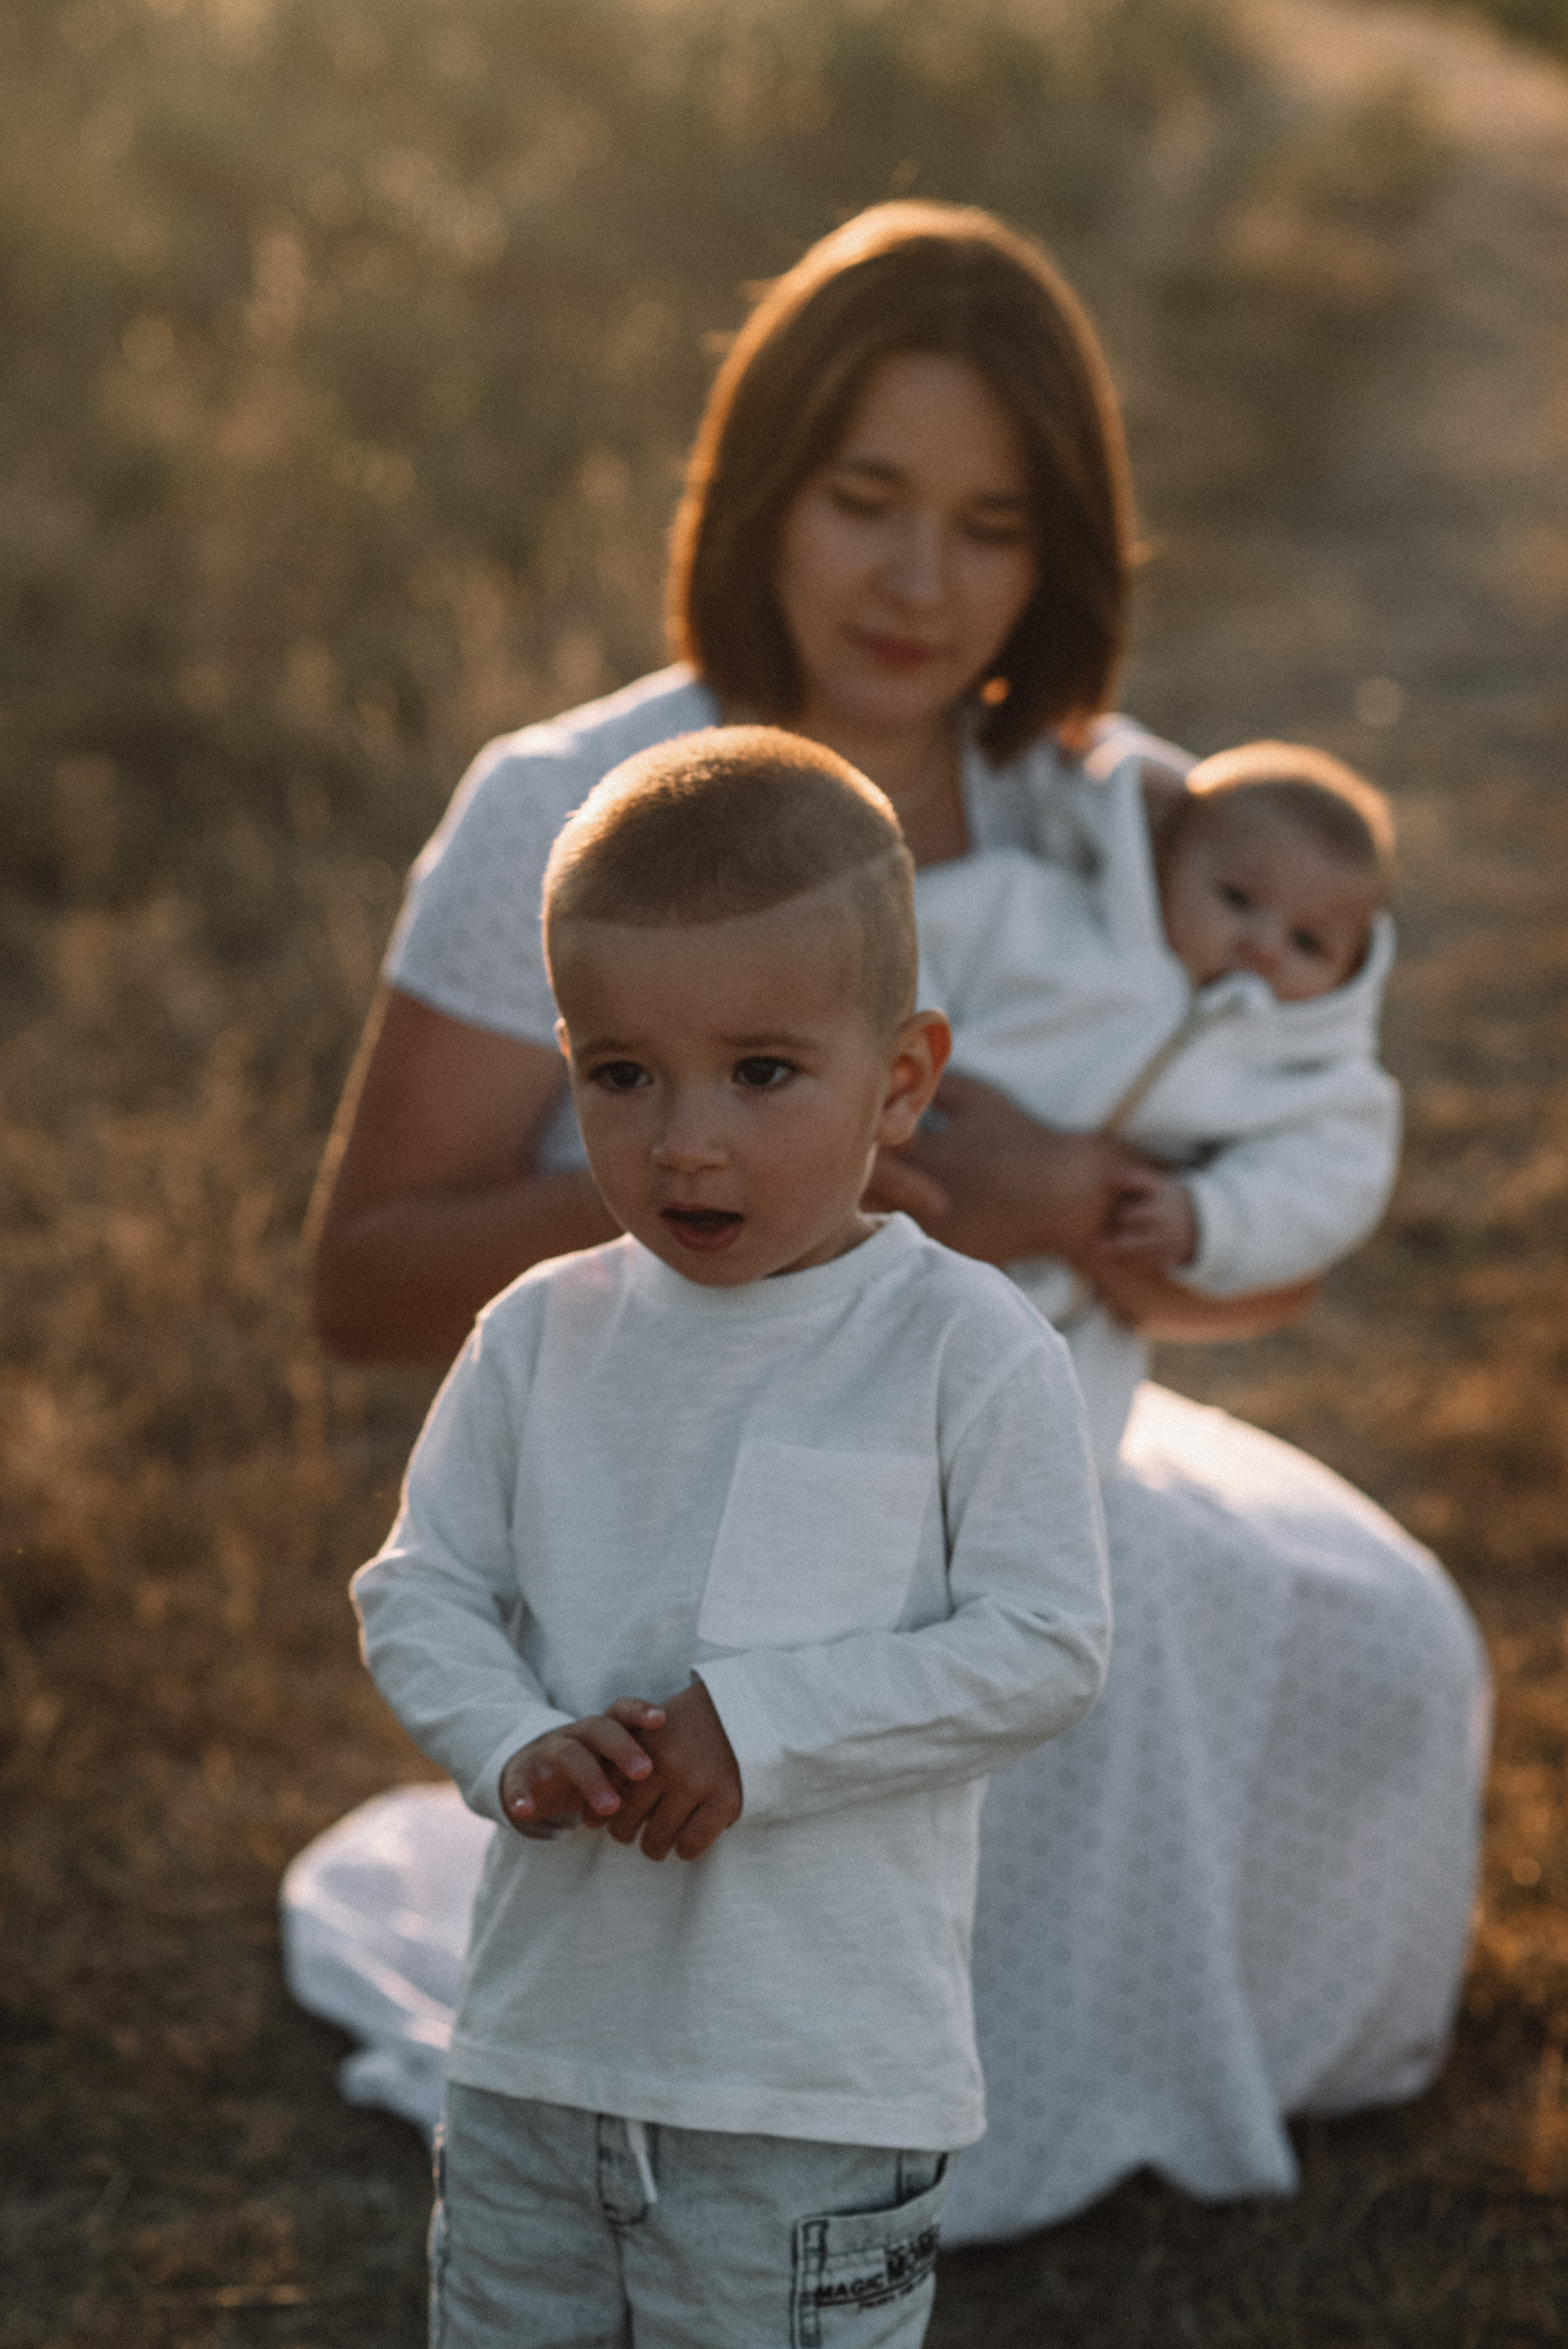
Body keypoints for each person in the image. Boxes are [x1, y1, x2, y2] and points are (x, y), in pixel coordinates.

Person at [285, 200, 1488, 2246]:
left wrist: (1072, 1202)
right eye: (866, 498)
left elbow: (1262, 1266)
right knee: (849, 1691)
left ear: (1065, 552)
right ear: (763, 490)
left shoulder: (1132, 825)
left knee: (1387, 1643)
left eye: (995, 524)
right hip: (687, 1464)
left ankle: (1147, 2029)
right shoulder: (564, 798)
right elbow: (366, 1279)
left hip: (1026, 1432)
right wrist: (730, 1162)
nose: (924, 581)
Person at [352, 730, 1112, 2347]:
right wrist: (513, 1743)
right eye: (623, 1074)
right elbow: (420, 1585)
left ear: (902, 1077)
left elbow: (1046, 1643)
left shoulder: (962, 1349)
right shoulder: (540, 1334)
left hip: (808, 2079)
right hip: (537, 2051)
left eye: (762, 1072)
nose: (683, 1139)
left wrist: (761, 1727)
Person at [915, 740, 1403, 1468]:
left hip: (1063, 1327)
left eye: (1309, 942)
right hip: (907, 1190)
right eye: (1237, 900)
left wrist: (1211, 1216)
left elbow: (1329, 1180)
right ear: (1163, 860)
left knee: (1022, 1483)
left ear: (1353, 964)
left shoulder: (1309, 1072)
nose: (1263, 947)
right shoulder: (1034, 915)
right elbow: (904, 940)